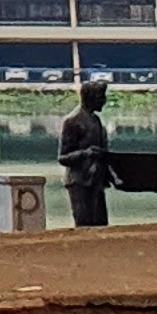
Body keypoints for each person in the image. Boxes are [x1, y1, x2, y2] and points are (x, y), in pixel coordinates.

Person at [59, 72, 114, 229]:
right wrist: (85, 153)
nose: (104, 101)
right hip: (80, 182)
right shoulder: (72, 122)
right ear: (90, 98)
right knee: (84, 225)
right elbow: (63, 158)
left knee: (101, 225)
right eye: (101, 97)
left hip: (96, 181)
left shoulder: (96, 120)